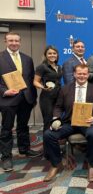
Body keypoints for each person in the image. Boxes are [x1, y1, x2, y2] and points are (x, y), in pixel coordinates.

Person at [43, 64, 93, 182]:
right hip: (69, 122)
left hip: (88, 122)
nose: (82, 76)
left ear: (88, 75)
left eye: (84, 74)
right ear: (74, 74)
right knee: (48, 134)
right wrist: (56, 118)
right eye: (79, 73)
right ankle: (56, 164)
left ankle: (92, 165)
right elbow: (58, 107)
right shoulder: (65, 89)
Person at [0, 32, 40, 172]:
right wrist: (4, 91)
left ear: (20, 42)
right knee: (6, 129)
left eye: (16, 41)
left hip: (26, 99)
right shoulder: (0, 57)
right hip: (8, 99)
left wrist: (33, 98)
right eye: (11, 40)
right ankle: (6, 157)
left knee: (23, 126)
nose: (14, 43)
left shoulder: (27, 59)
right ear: (6, 41)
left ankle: (24, 149)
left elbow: (29, 79)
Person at [34, 46, 62, 131]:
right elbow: (35, 82)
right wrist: (43, 87)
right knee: (48, 121)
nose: (52, 55)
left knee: (56, 121)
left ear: (57, 55)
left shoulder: (59, 67)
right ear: (45, 55)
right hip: (47, 98)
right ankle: (47, 143)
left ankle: (54, 141)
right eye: (49, 53)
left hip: (58, 97)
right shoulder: (42, 67)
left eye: (54, 53)